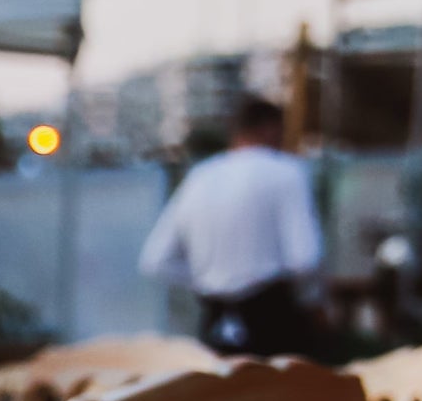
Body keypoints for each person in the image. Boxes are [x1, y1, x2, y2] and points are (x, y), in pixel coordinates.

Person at [141, 96, 329, 358]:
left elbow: (155, 259)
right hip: (274, 320)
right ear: (270, 128)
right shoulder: (287, 171)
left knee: (223, 395)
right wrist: (315, 305)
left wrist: (208, 282)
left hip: (216, 320)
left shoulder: (201, 176)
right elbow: (305, 258)